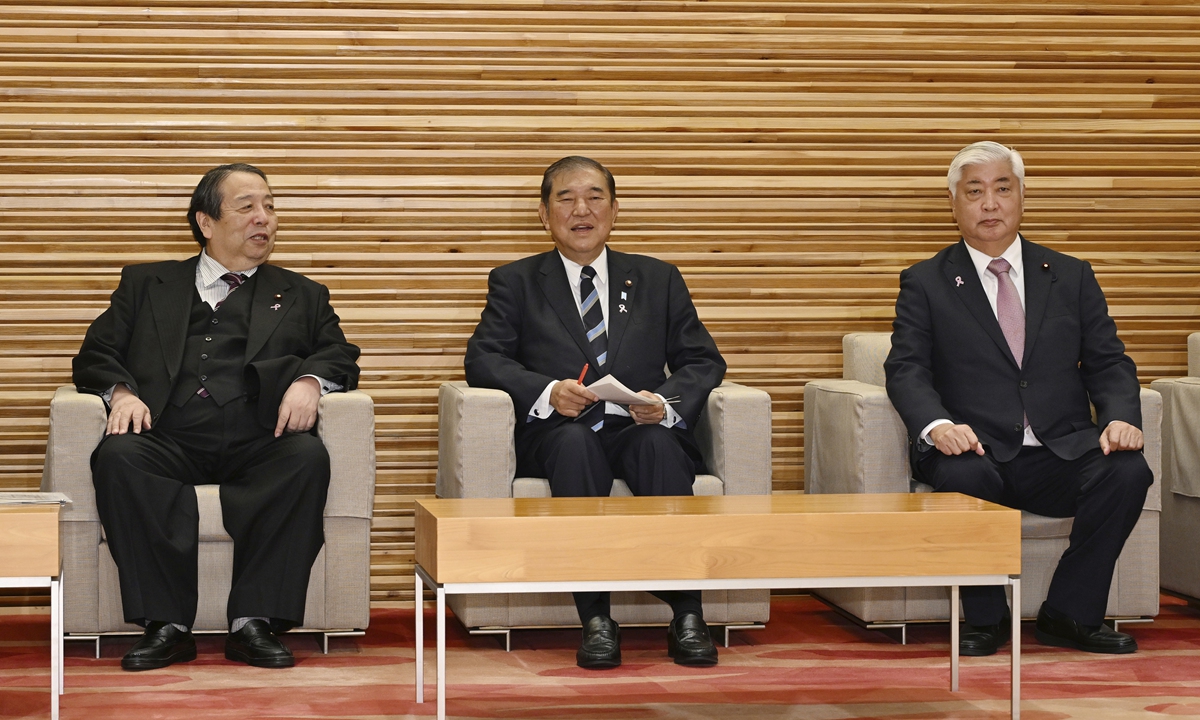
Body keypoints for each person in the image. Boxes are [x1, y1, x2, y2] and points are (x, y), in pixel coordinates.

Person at [73, 163, 361, 671]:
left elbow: (339, 355)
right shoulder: (146, 284)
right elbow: (95, 354)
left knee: (305, 457)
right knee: (118, 456)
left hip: (260, 435)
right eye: (247, 206)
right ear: (206, 223)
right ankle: (167, 625)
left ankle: (255, 621)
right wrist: (120, 393)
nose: (264, 219)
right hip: (167, 433)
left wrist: (309, 382)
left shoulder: (303, 293)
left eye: (270, 207)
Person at [884, 141, 1153, 656]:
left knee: (1128, 471)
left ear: (1022, 197)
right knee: (963, 476)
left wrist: (1120, 418)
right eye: (976, 192)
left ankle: (1069, 615)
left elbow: (1109, 362)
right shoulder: (926, 282)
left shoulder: (1071, 275)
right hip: (976, 448)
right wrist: (936, 425)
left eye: (1002, 189)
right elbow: (906, 368)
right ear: (954, 204)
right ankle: (985, 618)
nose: (990, 204)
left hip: (1060, 451)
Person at [464, 156, 726, 669]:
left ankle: (688, 615)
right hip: (562, 433)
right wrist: (546, 391)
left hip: (637, 427)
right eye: (565, 198)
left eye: (594, 197)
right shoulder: (515, 281)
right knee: (575, 441)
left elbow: (702, 359)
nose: (581, 209)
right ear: (544, 214)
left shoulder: (658, 277)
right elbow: (483, 357)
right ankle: (597, 619)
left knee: (659, 445)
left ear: (615, 209)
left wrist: (664, 405)